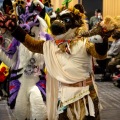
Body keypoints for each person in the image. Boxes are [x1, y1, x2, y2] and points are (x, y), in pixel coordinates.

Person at [0, 7, 116, 120]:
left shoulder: (84, 43)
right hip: (64, 95)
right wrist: (14, 28)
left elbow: (100, 54)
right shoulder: (52, 45)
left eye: (65, 20)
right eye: (58, 18)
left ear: (76, 24)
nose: (58, 22)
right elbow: (32, 44)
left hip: (84, 94)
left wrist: (103, 40)